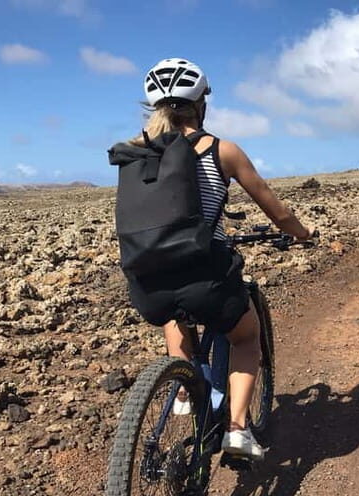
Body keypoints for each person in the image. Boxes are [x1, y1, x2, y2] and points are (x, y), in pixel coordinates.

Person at [125, 58, 312, 459]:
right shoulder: (220, 150)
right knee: (244, 337)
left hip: (148, 280)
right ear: (201, 104)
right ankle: (238, 431)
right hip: (205, 275)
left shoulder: (135, 155)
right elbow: (275, 210)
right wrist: (302, 233)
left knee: (176, 315)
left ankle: (185, 386)